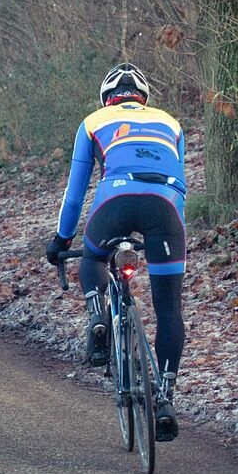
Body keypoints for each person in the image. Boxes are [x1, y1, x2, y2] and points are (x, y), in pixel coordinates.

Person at [45, 63, 187, 442]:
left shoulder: (93, 122)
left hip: (115, 202)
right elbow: (182, 186)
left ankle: (98, 318)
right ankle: (165, 396)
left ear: (106, 98)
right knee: (169, 308)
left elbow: (75, 195)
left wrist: (60, 241)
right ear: (144, 98)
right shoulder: (171, 123)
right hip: (166, 210)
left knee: (93, 258)